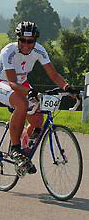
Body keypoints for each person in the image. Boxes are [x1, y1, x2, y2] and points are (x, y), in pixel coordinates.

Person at [0, 21, 78, 173]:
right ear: (18, 39)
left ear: (35, 41)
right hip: (5, 83)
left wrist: (67, 88)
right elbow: (12, 82)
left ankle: (23, 148)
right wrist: (29, 92)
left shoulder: (39, 50)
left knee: (37, 120)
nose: (26, 45)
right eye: (23, 40)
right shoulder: (8, 52)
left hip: (22, 84)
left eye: (30, 41)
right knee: (21, 104)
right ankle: (15, 149)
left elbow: (54, 75)